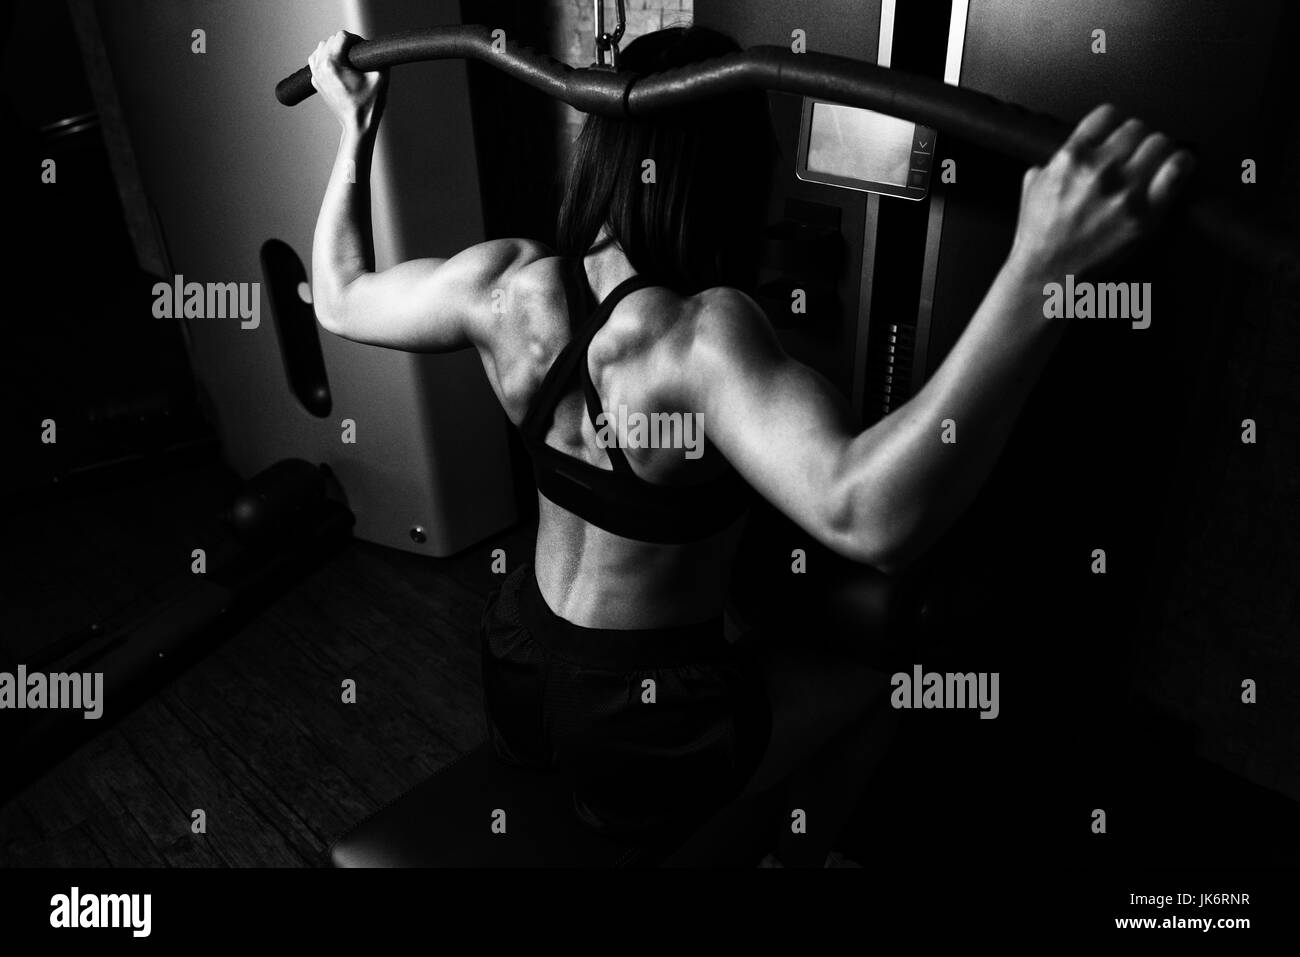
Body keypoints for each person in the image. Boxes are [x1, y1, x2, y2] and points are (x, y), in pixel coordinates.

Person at [306, 25, 1196, 855]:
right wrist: (1039, 269)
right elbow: (871, 517)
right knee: (874, 687)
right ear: (731, 176)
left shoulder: (503, 282)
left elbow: (340, 297)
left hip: (517, 670)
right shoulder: (700, 337)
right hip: (640, 726)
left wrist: (356, 128)